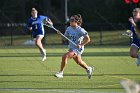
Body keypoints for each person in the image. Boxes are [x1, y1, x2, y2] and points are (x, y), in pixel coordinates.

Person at [55, 14, 94, 79]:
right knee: (79, 62)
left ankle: (61, 73)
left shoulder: (80, 30)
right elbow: (65, 38)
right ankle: (88, 68)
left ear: (76, 21)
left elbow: (88, 39)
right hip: (71, 48)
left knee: (65, 56)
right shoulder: (68, 28)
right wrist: (60, 34)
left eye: (72, 20)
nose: (70, 21)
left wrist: (81, 45)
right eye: (70, 20)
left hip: (78, 49)